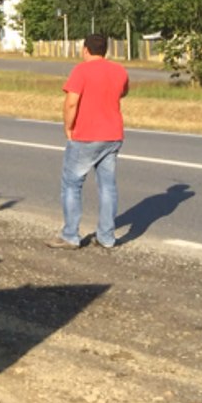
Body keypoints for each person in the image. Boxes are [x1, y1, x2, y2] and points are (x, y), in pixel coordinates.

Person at [49, 33, 129, 250]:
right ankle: (106, 237)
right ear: (106, 50)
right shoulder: (119, 70)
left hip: (86, 135)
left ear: (85, 49)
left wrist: (68, 126)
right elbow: (122, 92)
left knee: (72, 185)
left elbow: (71, 103)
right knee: (107, 187)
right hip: (112, 135)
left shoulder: (81, 70)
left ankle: (70, 235)